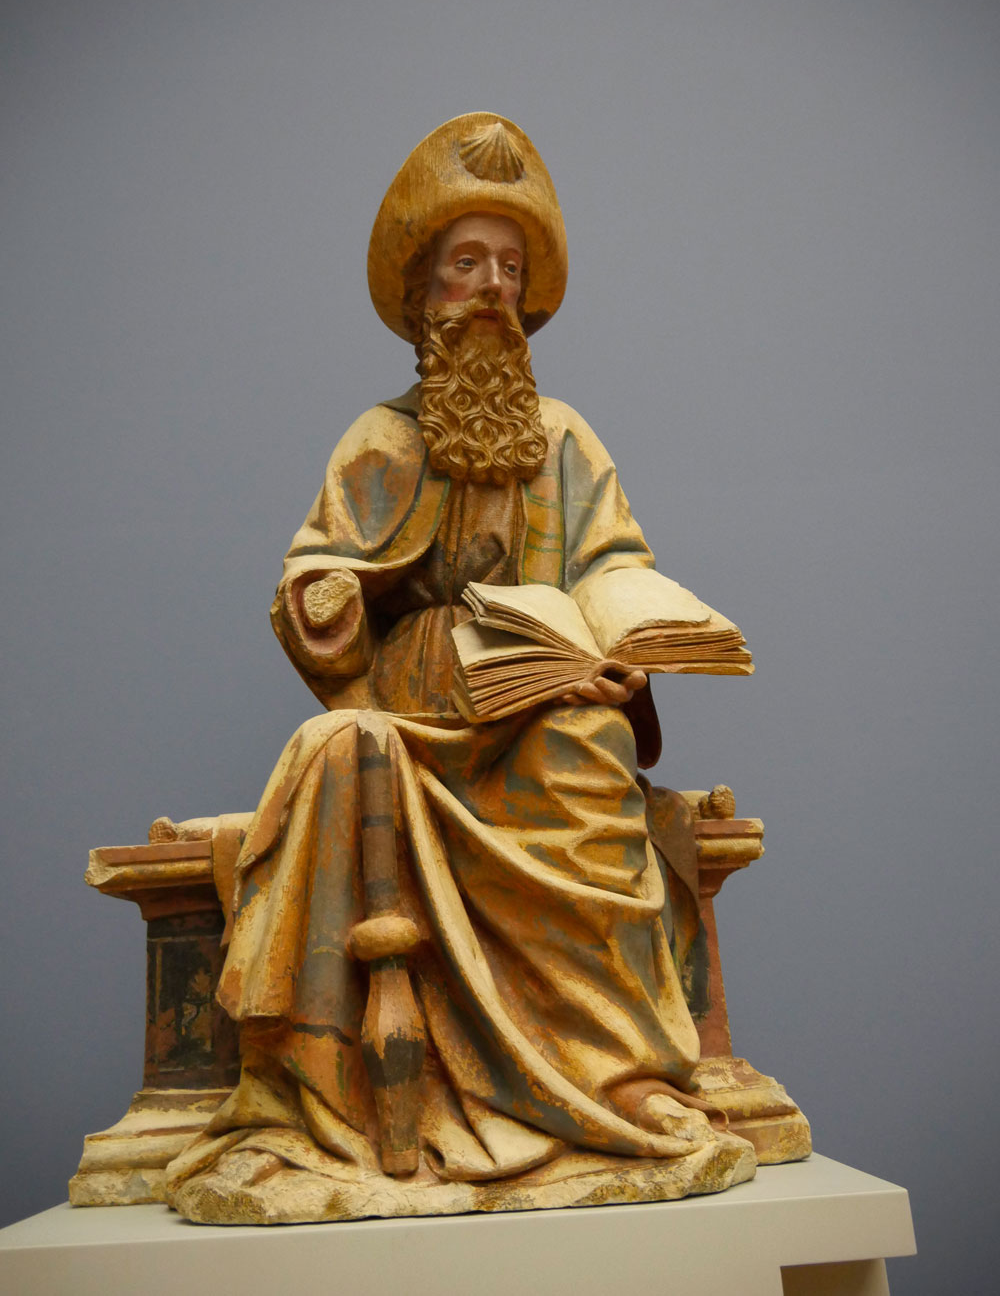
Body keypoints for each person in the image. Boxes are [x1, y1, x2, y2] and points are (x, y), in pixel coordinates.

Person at [166, 114, 755, 1224]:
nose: (490, 289)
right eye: (466, 264)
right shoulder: (380, 441)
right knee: (341, 750)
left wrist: (622, 653)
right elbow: (318, 570)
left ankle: (614, 1079)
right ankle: (341, 1096)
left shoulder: (566, 439)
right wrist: (331, 596)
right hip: (420, 716)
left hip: (544, 702)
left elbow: (614, 563)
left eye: (509, 268)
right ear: (423, 292)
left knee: (589, 750)